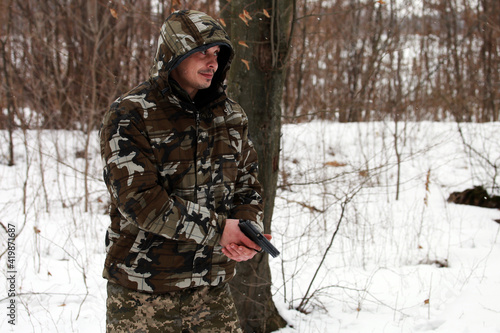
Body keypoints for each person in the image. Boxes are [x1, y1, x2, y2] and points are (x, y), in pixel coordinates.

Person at [99, 9, 270, 333]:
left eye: (217, 54)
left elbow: (248, 185)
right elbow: (141, 202)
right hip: (142, 293)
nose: (212, 63)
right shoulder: (130, 114)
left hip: (211, 290)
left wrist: (246, 229)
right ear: (173, 54)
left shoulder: (231, 116)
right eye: (202, 53)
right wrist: (221, 229)